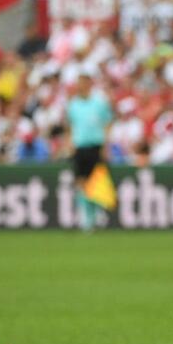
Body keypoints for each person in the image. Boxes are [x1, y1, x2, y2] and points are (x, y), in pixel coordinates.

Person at [66, 72, 112, 231]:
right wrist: (70, 143)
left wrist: (106, 145)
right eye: (78, 83)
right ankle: (86, 218)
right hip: (80, 146)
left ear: (89, 84)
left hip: (95, 145)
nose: (80, 86)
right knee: (81, 182)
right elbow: (71, 126)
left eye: (83, 83)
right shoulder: (73, 105)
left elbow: (107, 123)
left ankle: (95, 215)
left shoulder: (99, 103)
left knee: (97, 182)